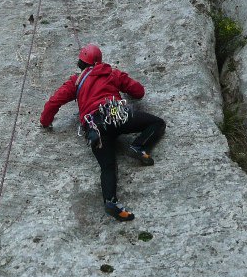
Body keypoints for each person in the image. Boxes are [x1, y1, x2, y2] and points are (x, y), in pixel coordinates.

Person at [40, 43, 165, 221]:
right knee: (157, 123)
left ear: (80, 63)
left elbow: (54, 102)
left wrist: (45, 122)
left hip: (94, 127)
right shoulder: (111, 73)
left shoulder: (75, 82)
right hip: (116, 114)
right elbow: (138, 91)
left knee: (107, 166)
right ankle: (138, 146)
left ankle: (111, 202)